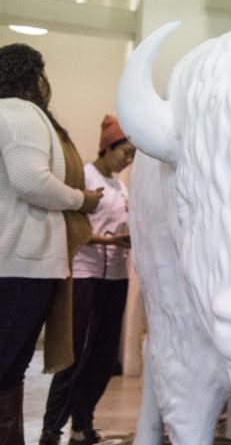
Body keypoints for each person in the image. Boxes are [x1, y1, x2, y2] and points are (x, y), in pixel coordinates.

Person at [0, 44, 102, 445]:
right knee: (7, 364)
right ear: (34, 76)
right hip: (20, 262)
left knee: (10, 368)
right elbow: (31, 181)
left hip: (16, 261)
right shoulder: (20, 113)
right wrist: (82, 201)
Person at [39, 115, 135, 445]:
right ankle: (51, 429)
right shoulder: (85, 176)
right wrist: (109, 242)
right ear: (108, 147)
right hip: (85, 275)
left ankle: (82, 423)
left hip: (117, 275)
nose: (128, 159)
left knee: (104, 356)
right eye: (125, 151)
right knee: (74, 354)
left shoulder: (121, 188)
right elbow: (74, 227)